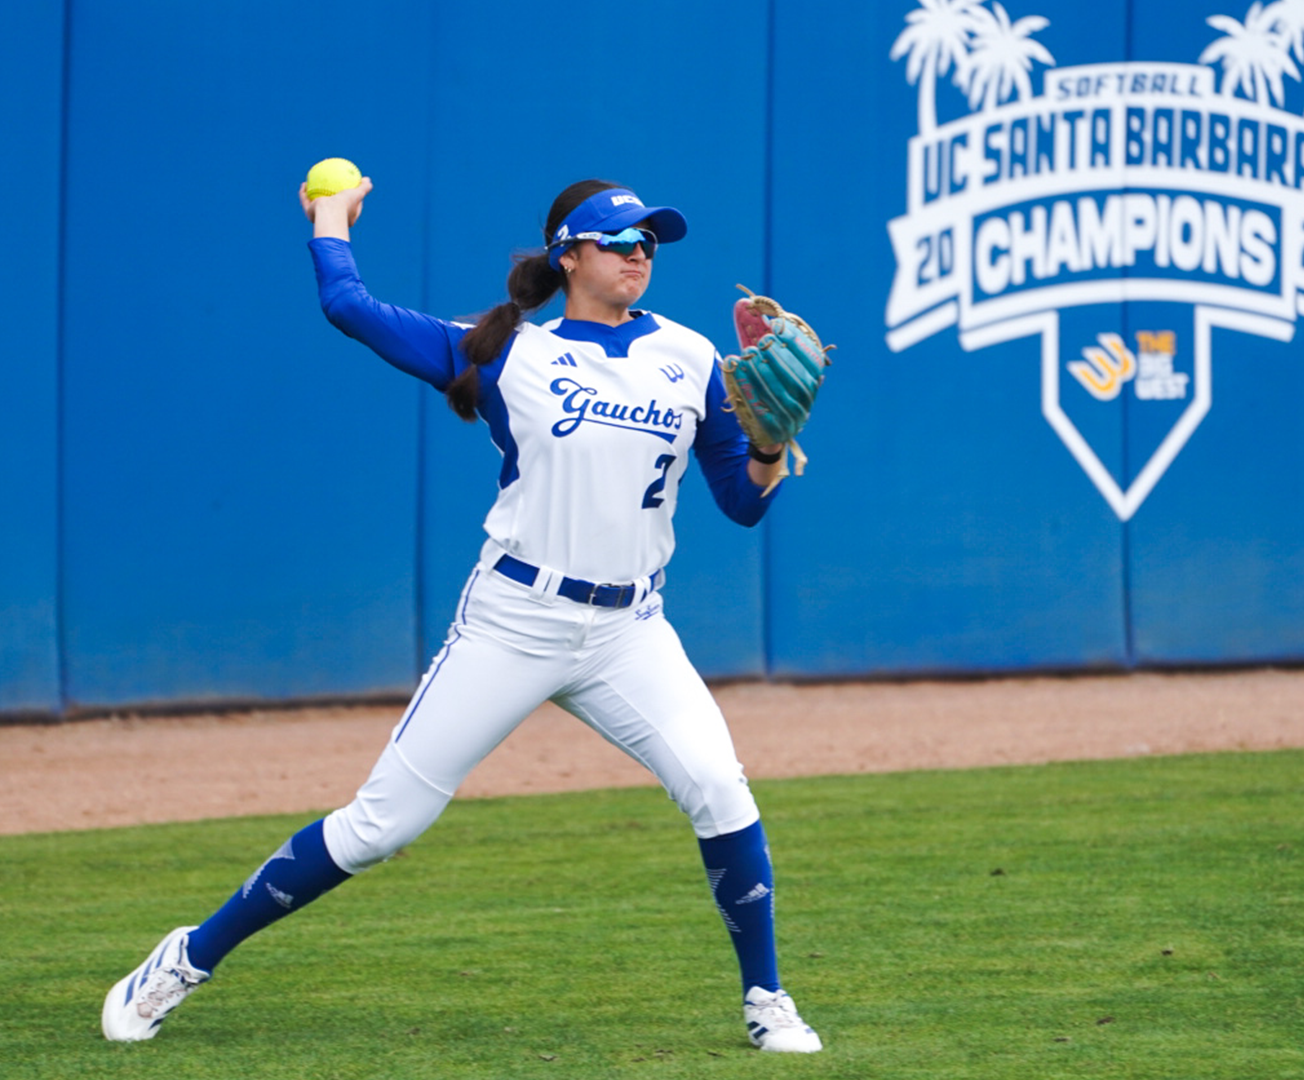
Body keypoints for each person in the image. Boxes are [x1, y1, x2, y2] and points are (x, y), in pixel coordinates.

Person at [101, 175, 823, 1054]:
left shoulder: (691, 356)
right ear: (568, 255)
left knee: (718, 788)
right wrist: (331, 219)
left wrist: (768, 441)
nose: (641, 254)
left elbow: (740, 503)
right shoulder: (504, 351)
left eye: (649, 242)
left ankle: (767, 998)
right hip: (514, 620)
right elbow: (349, 307)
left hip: (630, 631)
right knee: (380, 826)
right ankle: (186, 957)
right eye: (620, 241)